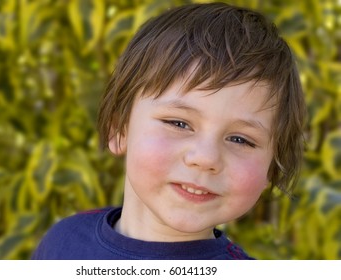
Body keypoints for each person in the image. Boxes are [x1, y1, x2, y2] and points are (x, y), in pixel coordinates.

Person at [32, 2, 306, 260]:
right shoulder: (61, 244)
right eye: (179, 123)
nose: (206, 158)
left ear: (271, 169)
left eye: (240, 139)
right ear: (119, 128)